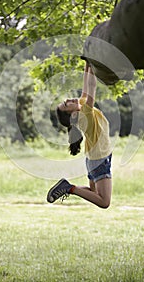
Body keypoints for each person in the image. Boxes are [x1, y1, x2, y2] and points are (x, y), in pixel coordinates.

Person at [47, 63, 112, 209]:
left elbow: (85, 87)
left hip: (93, 159)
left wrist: (88, 63)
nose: (70, 99)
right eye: (67, 104)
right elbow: (91, 87)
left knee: (94, 192)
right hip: (99, 159)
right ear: (73, 114)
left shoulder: (81, 108)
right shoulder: (85, 116)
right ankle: (70, 188)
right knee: (104, 202)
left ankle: (68, 187)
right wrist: (93, 65)